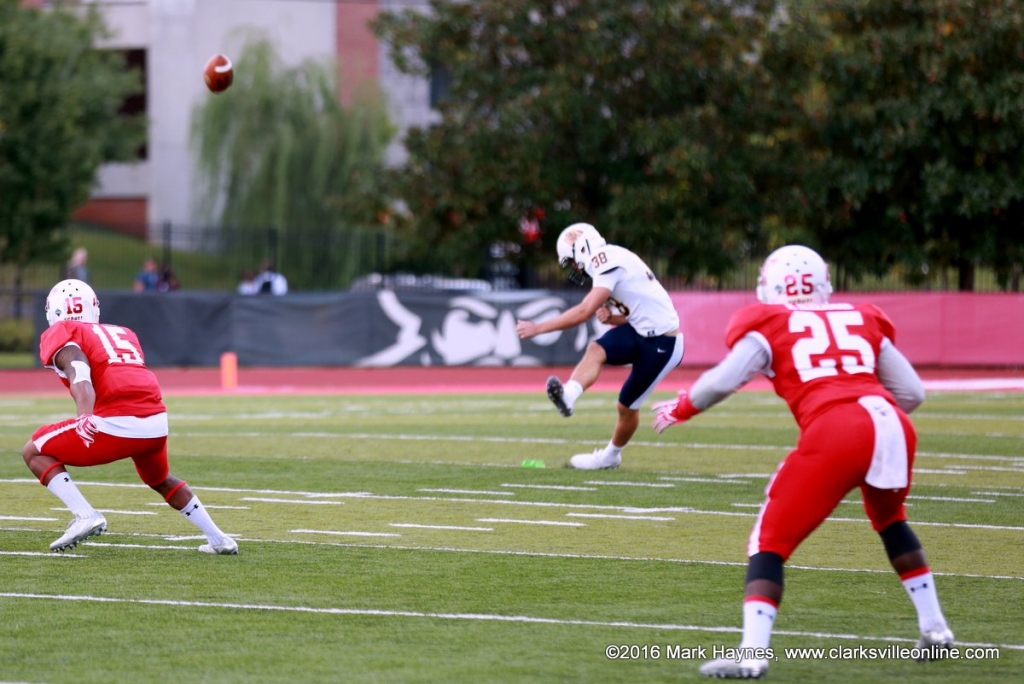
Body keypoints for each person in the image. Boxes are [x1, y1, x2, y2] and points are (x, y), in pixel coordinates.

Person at [651, 245, 952, 679]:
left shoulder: (770, 322)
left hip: (837, 430)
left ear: (770, 284)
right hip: (892, 423)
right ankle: (936, 629)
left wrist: (683, 407)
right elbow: (913, 393)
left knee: (768, 541)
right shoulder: (862, 316)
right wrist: (870, 416)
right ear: (824, 282)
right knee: (891, 521)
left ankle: (752, 657)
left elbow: (723, 380)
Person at [21, 279, 238, 555]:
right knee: (159, 479)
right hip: (156, 421)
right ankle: (219, 539)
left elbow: (79, 369)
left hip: (117, 422)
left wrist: (84, 415)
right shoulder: (123, 332)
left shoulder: (64, 332)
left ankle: (85, 515)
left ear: (55, 311)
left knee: (33, 450)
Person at [516, 223, 683, 469]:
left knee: (626, 407)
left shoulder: (605, 259)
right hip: (641, 331)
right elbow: (641, 311)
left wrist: (539, 328)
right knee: (596, 349)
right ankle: (568, 396)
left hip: (664, 343)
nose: (574, 268)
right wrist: (614, 318)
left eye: (571, 261)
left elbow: (584, 311)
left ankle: (610, 456)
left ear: (582, 248)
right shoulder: (610, 258)